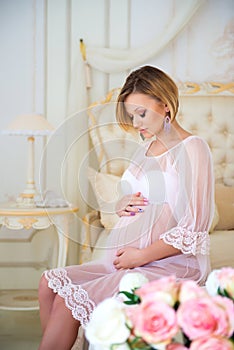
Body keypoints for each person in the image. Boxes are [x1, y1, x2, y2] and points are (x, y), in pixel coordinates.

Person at [38, 65, 215, 349]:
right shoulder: (145, 149)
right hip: (125, 256)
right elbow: (132, 196)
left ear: (166, 106)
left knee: (67, 303)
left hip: (167, 263)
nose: (136, 123)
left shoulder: (192, 148)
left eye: (141, 114)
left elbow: (194, 228)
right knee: (49, 283)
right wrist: (121, 203)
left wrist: (141, 256)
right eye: (132, 116)